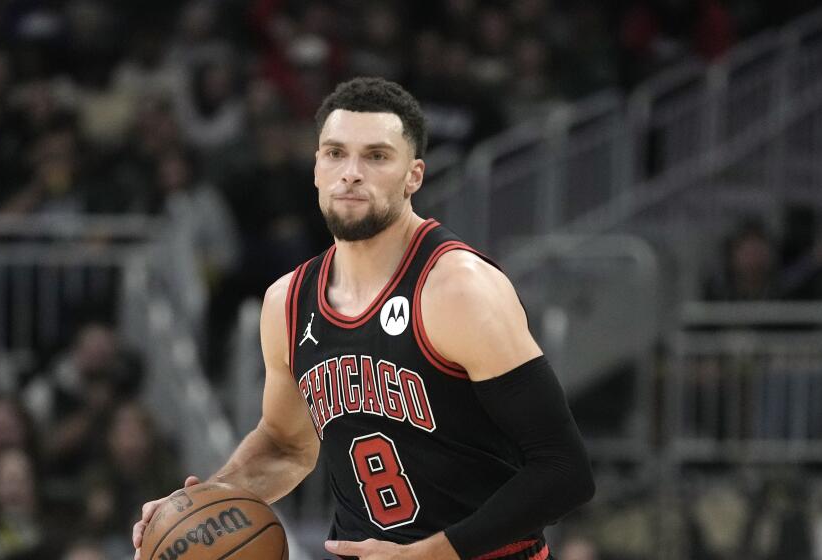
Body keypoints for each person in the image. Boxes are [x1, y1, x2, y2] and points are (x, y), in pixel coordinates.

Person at [132, 77, 594, 560]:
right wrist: (203, 506)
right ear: (315, 167)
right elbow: (287, 447)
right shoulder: (286, 303)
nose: (351, 172)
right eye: (335, 153)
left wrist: (427, 555)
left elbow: (564, 473)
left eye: (376, 156)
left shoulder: (460, 288)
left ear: (413, 175)